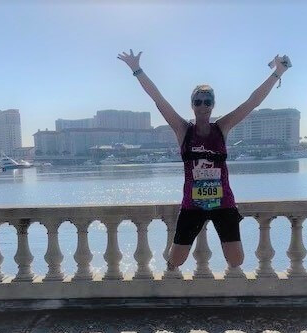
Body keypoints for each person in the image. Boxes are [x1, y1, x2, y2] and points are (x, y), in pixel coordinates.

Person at [117, 49, 291, 272]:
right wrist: (136, 69)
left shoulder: (222, 128)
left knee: (236, 260)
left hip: (223, 204)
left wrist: (278, 72)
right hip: (192, 205)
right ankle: (171, 265)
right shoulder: (183, 130)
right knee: (177, 260)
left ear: (212, 105)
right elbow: (158, 100)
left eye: (207, 102)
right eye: (198, 102)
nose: (202, 106)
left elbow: (252, 102)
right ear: (192, 105)